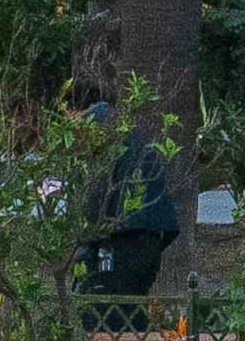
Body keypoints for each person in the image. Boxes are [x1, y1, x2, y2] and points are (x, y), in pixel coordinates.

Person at [74, 80, 189, 325]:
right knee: (128, 310)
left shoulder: (103, 137)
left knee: (108, 315)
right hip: (147, 240)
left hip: (125, 242)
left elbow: (97, 197)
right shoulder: (129, 134)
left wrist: (85, 239)